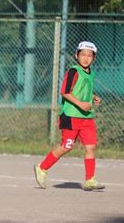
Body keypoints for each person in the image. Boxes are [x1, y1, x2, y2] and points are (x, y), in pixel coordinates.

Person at [34, 41, 105, 191]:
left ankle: (89, 180)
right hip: (71, 115)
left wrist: (92, 97)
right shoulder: (73, 71)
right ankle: (42, 167)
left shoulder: (91, 73)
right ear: (76, 55)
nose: (86, 58)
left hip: (87, 117)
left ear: (94, 57)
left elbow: (82, 90)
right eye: (83, 55)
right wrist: (80, 104)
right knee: (67, 146)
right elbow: (65, 92)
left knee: (91, 147)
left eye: (89, 55)